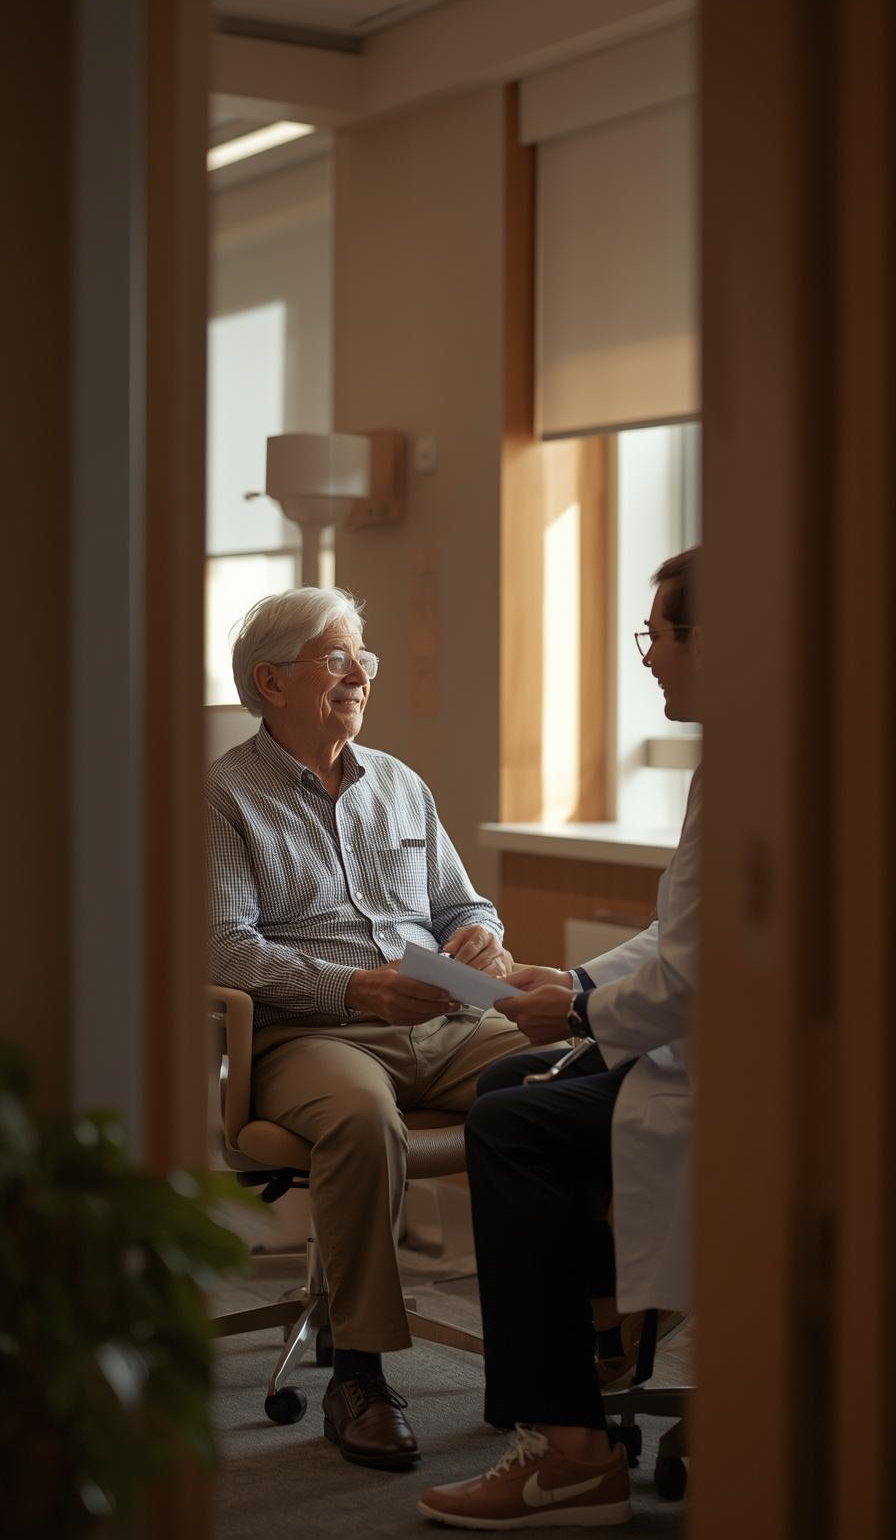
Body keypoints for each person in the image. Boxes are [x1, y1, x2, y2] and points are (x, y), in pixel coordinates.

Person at [206, 587, 532, 1471]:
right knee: (359, 1117)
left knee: (571, 1070)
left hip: (446, 1017)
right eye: (337, 657)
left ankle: (569, 1342)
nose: (359, 675)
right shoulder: (223, 797)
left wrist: (481, 935)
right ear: (270, 682)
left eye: (364, 660)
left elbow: (463, 899)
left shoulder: (399, 782)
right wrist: (357, 990)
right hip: (313, 1034)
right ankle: (360, 1372)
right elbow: (227, 951)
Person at [419, 547, 701, 1529]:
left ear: (709, 640)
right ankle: (595, 1334)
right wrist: (575, 980)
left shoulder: (758, 766)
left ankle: (571, 1450)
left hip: (733, 1077)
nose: (647, 659)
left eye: (655, 635)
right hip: (690, 1046)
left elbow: (697, 972)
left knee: (515, 1124)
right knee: (510, 1091)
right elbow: (678, 936)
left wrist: (579, 1011)